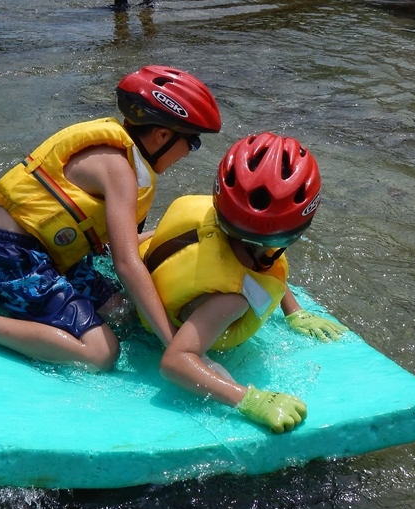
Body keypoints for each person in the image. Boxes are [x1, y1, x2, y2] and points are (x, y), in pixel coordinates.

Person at [0, 66, 223, 371]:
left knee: (124, 313)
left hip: (46, 258)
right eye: (192, 142)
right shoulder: (119, 171)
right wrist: (181, 349)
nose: (189, 152)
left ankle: (6, 304)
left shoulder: (119, 155)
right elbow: (126, 263)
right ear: (163, 136)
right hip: (12, 261)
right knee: (102, 353)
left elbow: (114, 246)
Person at [138, 133, 347, 433]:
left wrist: (294, 310)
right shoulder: (229, 299)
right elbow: (175, 362)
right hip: (156, 325)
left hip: (155, 265)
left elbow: (264, 262)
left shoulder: (206, 211)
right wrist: (248, 400)